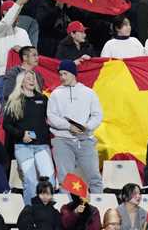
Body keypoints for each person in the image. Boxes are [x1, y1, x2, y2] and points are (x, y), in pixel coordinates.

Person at [47, 59, 104, 194]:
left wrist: (87, 126)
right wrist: (68, 126)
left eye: (65, 73)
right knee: (64, 179)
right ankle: (66, 212)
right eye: (60, 74)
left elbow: (97, 115)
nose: (62, 77)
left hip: (85, 140)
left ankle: (99, 210)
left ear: (73, 74)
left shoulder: (89, 92)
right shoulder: (55, 94)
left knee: (94, 177)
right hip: (62, 141)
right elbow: (51, 117)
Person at [3, 70, 55, 205]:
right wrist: (21, 134)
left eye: (33, 78)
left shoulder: (43, 99)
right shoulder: (14, 100)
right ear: (21, 82)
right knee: (31, 181)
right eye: (28, 78)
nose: (32, 80)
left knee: (49, 179)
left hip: (42, 146)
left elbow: (51, 119)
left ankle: (49, 211)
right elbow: (6, 125)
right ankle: (31, 212)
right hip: (23, 147)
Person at [0, 0, 32, 103]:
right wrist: (18, 3)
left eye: (18, 11)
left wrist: (22, 51)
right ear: (4, 13)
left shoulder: (23, 32)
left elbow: (31, 54)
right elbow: (7, 22)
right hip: (5, 75)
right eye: (15, 11)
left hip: (23, 76)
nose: (17, 14)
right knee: (5, 109)